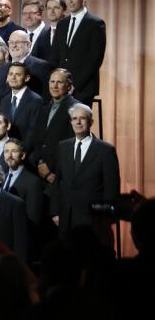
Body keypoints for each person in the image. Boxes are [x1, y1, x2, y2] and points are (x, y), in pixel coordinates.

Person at [50, 103, 119, 244]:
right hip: (65, 218)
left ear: (91, 122)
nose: (78, 122)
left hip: (93, 222)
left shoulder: (105, 150)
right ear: (70, 122)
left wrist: (103, 218)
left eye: (83, 118)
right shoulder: (63, 146)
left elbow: (111, 189)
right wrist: (55, 211)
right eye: (74, 118)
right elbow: (58, 182)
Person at [51, 0, 107, 102]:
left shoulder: (95, 24)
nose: (70, 1)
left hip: (83, 88)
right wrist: (57, 83)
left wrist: (74, 84)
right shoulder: (62, 24)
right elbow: (56, 56)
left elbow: (95, 59)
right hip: (60, 89)